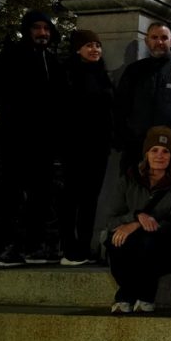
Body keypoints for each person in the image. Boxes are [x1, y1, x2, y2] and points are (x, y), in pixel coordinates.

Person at [0, 10, 65, 267]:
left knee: (40, 193)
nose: (43, 33)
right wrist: (16, 122)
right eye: (37, 28)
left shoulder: (52, 61)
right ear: (28, 30)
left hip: (44, 141)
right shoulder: (10, 57)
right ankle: (9, 245)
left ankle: (35, 245)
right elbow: (0, 96)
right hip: (17, 137)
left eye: (46, 28)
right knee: (12, 191)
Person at [104, 126, 171, 313]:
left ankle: (141, 295)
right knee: (117, 239)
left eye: (166, 151)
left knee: (148, 240)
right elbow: (110, 219)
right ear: (146, 154)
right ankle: (128, 292)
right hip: (130, 240)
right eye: (154, 150)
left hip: (162, 243)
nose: (160, 155)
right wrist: (134, 217)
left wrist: (137, 224)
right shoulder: (129, 180)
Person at [58, 30, 114, 266]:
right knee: (72, 198)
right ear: (77, 49)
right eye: (89, 45)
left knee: (90, 199)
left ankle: (83, 246)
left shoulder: (101, 74)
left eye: (98, 45)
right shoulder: (68, 74)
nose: (95, 50)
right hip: (75, 145)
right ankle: (69, 248)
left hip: (98, 146)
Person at [114, 22, 171, 172]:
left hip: (170, 148)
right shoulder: (134, 71)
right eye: (154, 37)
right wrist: (123, 137)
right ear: (147, 41)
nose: (159, 42)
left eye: (164, 38)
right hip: (136, 147)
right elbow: (120, 106)